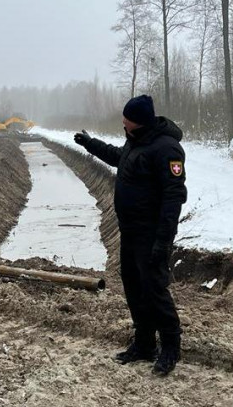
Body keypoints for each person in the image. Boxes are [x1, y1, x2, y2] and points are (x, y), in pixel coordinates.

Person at [73, 95, 187, 375]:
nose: (122, 122)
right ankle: (144, 343)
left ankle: (171, 347)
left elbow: (174, 196)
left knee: (154, 289)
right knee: (134, 287)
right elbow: (116, 156)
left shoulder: (166, 148)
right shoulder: (135, 141)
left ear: (138, 121)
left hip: (151, 235)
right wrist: (89, 143)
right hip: (130, 232)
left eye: (126, 118)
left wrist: (163, 240)